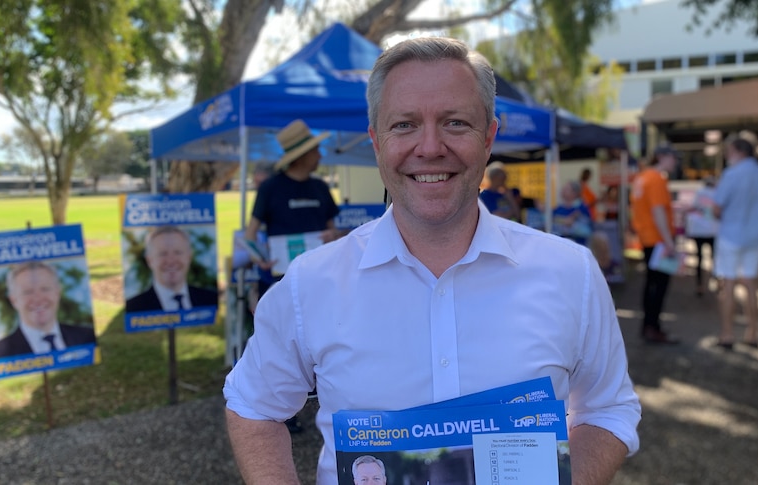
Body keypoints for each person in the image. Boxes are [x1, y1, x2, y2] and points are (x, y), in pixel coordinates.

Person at [224, 36, 640, 485]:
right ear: (376, 142)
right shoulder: (310, 283)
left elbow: (607, 406)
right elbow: (254, 406)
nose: (429, 147)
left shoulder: (570, 272)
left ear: (489, 138)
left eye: (455, 122)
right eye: (404, 125)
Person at [243, 119, 342, 434]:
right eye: (315, 150)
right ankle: (280, 412)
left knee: (322, 341)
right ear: (301, 155)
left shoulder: (321, 188)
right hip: (280, 281)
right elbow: (250, 234)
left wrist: (332, 236)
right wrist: (259, 257)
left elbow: (333, 230)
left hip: (320, 279)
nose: (321, 155)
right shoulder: (271, 188)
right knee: (281, 346)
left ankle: (325, 402)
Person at [712, 133, 758, 349]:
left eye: (729, 151)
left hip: (731, 235)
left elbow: (717, 207)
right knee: (750, 284)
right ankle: (753, 333)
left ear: (740, 151)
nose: (727, 155)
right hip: (755, 236)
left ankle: (727, 334)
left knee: (728, 285)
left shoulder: (731, 174)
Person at [0, 261, 96, 359]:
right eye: (28, 292)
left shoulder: (87, 336)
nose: (38, 298)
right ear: (14, 300)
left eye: (45, 289)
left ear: (58, 293)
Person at [629, 145, 680, 344]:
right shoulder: (657, 179)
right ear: (662, 157)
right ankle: (653, 327)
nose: (675, 162)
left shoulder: (642, 177)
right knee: (658, 286)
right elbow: (658, 211)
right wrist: (669, 242)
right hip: (658, 241)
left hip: (647, 239)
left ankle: (649, 326)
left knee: (651, 284)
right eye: (673, 157)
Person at [125, 225, 219, 313]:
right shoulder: (134, 308)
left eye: (178, 252)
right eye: (163, 254)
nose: (171, 261)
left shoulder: (211, 299)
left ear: (189, 257)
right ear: (150, 261)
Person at [685, 176, 718, 296]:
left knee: (699, 258)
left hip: (699, 231)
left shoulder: (699, 193)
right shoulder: (717, 193)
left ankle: (700, 285)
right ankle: (716, 281)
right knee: (715, 258)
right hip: (714, 231)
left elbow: (693, 207)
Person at [552, 179, 594, 245]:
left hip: (578, 245)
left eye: (566, 189)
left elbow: (587, 231)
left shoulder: (582, 208)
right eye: (563, 188)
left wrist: (572, 225)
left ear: (574, 193)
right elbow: (551, 223)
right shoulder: (558, 208)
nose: (563, 190)